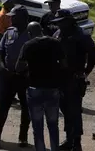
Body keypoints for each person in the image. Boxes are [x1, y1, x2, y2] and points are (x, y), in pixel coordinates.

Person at [52, 9, 95, 151]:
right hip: (60, 79)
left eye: (60, 22)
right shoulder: (58, 33)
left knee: (74, 111)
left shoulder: (80, 35)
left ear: (68, 21)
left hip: (74, 78)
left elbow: (93, 53)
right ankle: (69, 139)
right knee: (64, 109)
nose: (58, 25)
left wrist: (86, 71)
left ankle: (76, 143)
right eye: (57, 22)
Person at [17, 22, 66, 151]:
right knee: (53, 125)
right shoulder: (55, 43)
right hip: (52, 89)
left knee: (37, 127)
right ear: (42, 30)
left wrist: (29, 67)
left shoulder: (28, 45)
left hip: (35, 89)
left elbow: (19, 67)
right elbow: (64, 65)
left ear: (29, 33)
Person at [0, 5, 31, 150]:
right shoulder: (9, 32)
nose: (10, 18)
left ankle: (22, 137)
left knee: (26, 108)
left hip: (24, 78)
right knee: (3, 107)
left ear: (24, 18)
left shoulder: (33, 34)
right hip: (7, 76)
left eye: (14, 16)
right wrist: (2, 66)